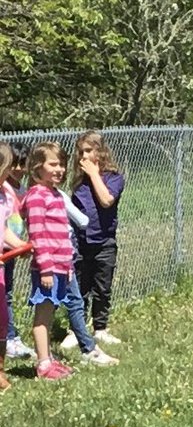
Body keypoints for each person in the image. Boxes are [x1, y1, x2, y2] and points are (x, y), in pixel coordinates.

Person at [22, 142, 76, 380]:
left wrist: (68, 266)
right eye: (53, 164)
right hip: (48, 267)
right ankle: (43, 364)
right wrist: (45, 268)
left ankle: (49, 361)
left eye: (62, 164)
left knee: (50, 312)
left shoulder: (54, 194)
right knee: (42, 315)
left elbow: (62, 234)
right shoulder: (36, 196)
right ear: (37, 167)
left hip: (61, 266)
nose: (59, 169)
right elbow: (38, 236)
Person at [68, 130, 124, 345]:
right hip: (81, 243)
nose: (83, 156)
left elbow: (106, 200)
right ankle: (76, 330)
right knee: (80, 287)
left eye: (88, 151)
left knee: (102, 287)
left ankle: (100, 328)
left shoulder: (114, 177)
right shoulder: (78, 183)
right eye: (80, 151)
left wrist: (94, 174)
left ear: (100, 152)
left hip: (104, 242)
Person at [0, 143, 29, 391]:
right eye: (8, 166)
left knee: (1, 316)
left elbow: (4, 229)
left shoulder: (4, 195)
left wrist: (21, 245)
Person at [3, 142, 33, 361]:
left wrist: (20, 245)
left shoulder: (8, 192)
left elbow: (3, 228)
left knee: (4, 305)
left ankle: (7, 348)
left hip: (4, 260)